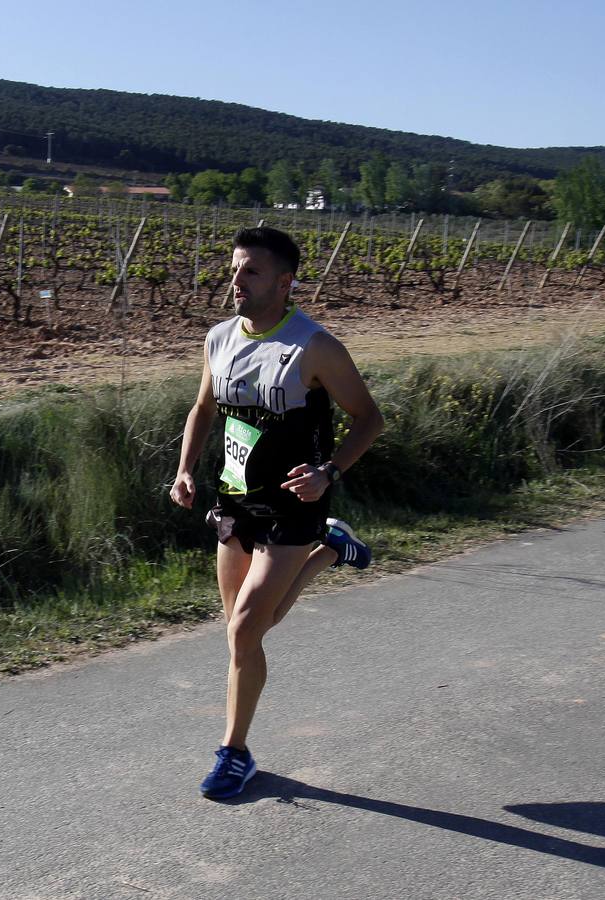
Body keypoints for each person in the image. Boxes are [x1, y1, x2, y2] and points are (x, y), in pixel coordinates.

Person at [169, 226, 384, 801]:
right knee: (246, 631)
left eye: (250, 271)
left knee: (245, 630)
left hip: (295, 501)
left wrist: (329, 473)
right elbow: (203, 407)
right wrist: (186, 469)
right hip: (236, 499)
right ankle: (332, 550)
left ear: (285, 282)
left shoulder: (314, 346)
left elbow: (369, 418)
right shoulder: (219, 338)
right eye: (234, 268)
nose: (235, 280)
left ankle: (234, 753)